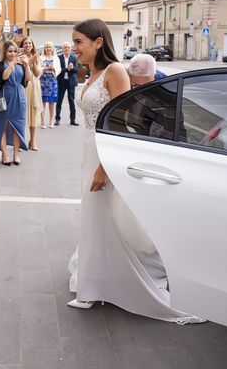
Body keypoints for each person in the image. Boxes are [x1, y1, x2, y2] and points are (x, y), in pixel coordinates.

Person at [67, 18, 204, 325]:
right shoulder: (92, 72)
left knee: (106, 217)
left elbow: (119, 123)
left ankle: (98, 286)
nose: (73, 47)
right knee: (95, 218)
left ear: (98, 42)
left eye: (79, 42)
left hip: (105, 156)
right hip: (89, 151)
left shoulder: (115, 70)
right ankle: (96, 280)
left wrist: (103, 168)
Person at [0, 40, 31, 165]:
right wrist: (13, 63)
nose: (13, 53)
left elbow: (27, 79)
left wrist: (27, 65)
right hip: (5, 97)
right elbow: (4, 77)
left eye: (15, 51)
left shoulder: (21, 65)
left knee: (17, 127)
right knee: (2, 126)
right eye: (10, 51)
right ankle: (4, 155)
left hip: (19, 96)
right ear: (5, 52)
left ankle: (16, 154)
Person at [20, 37, 43, 150]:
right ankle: (20, 140)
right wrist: (27, 62)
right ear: (22, 45)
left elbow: (38, 73)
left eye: (29, 43)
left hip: (34, 88)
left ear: (32, 45)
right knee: (21, 115)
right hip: (22, 87)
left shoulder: (36, 57)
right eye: (25, 43)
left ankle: (32, 141)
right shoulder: (19, 57)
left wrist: (32, 62)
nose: (28, 45)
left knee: (33, 115)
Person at [55, 41, 79, 126]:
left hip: (71, 82)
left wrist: (72, 68)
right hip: (61, 82)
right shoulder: (58, 58)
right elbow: (58, 70)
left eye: (68, 47)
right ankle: (57, 119)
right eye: (65, 47)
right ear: (62, 49)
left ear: (70, 49)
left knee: (71, 101)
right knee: (59, 101)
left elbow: (76, 70)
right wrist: (67, 69)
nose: (66, 49)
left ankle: (73, 120)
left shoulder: (74, 58)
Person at [39, 41, 60, 129]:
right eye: (47, 47)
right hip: (43, 81)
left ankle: (51, 120)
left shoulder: (56, 58)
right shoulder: (41, 58)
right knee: (42, 102)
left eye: (50, 47)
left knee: (52, 102)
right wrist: (45, 68)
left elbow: (59, 69)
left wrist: (54, 68)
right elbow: (38, 68)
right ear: (44, 49)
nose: (48, 49)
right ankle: (43, 121)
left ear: (52, 49)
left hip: (52, 81)